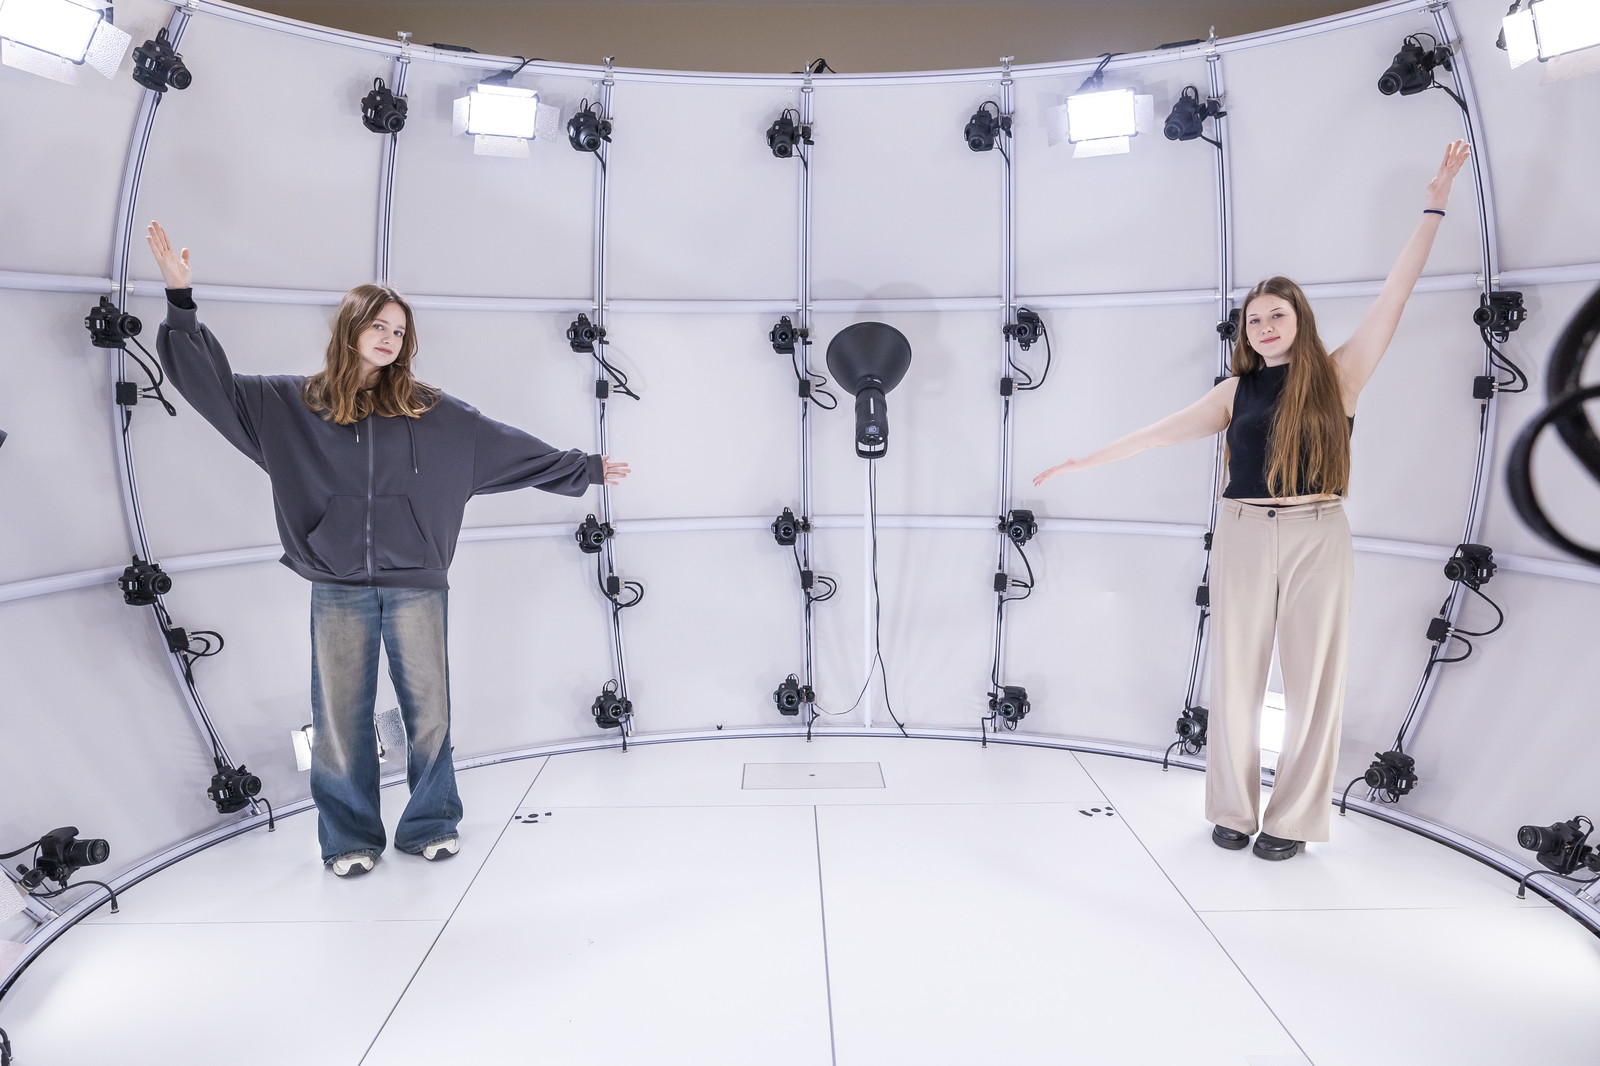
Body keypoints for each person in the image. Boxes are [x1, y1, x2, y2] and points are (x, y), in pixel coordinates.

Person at [147, 221, 630, 877]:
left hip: (416, 584)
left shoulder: (437, 414)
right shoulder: (289, 405)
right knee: (339, 719)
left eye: (399, 331)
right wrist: (180, 301)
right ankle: (349, 838)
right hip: (337, 585)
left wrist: (584, 467)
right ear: (350, 328)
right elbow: (212, 388)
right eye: (378, 325)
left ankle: (430, 823)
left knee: (428, 714)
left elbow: (508, 449)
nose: (389, 338)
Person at [1034, 141, 1472, 861]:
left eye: (1276, 315)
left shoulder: (1340, 374)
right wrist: (1086, 460)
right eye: (1254, 320)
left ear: (1299, 319)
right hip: (1241, 531)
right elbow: (1161, 432)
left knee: (1313, 683)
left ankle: (1292, 821)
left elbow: (1396, 294)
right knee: (1235, 678)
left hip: (1317, 533)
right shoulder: (1237, 390)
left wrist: (1436, 204)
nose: (1264, 327)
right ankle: (1234, 811)